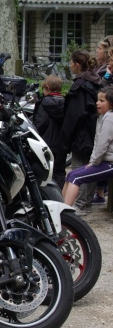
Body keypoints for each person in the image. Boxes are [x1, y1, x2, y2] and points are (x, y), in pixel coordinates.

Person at [59, 49, 103, 214]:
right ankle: (86, 202)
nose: (70, 65)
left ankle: (79, 204)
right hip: (95, 130)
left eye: (71, 62)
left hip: (82, 133)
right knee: (90, 167)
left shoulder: (81, 86)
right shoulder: (96, 80)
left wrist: (66, 138)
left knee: (79, 168)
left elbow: (74, 115)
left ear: (77, 64)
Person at [63, 86, 113, 207]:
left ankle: (64, 215)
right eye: (97, 100)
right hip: (102, 162)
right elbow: (96, 142)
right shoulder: (101, 117)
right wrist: (92, 161)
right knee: (70, 175)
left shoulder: (110, 118)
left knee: (75, 178)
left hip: (110, 164)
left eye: (102, 101)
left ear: (111, 104)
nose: (97, 103)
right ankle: (59, 208)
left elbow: (102, 144)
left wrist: (94, 162)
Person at [32, 75, 66, 186]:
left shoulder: (45, 102)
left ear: (47, 87)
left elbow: (41, 123)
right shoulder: (65, 103)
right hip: (61, 142)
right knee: (59, 169)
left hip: (46, 141)